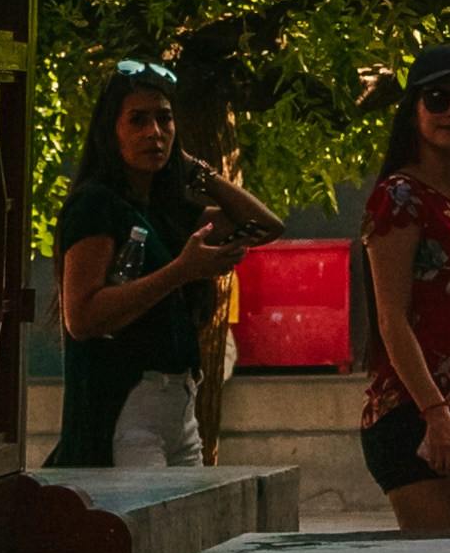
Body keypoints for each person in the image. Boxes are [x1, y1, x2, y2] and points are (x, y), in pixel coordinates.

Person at [50, 64, 279, 472]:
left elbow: (264, 226)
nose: (154, 132)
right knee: (143, 531)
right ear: (110, 131)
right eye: (137, 120)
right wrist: (181, 270)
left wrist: (197, 170)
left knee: (186, 531)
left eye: (164, 118)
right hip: (126, 407)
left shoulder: (166, 210)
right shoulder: (97, 204)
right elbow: (81, 317)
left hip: (181, 409)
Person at [356, 47, 450, 530]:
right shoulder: (401, 195)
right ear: (413, 109)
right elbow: (390, 319)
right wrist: (436, 415)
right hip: (418, 412)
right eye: (438, 98)